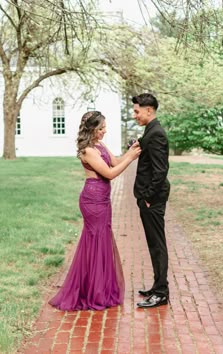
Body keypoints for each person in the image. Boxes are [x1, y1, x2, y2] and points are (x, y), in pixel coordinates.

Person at [49, 110, 141, 311]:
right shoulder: (88, 150)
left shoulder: (99, 145)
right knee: (96, 241)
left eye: (105, 127)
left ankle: (98, 287)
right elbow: (110, 172)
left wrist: (131, 151)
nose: (104, 131)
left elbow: (115, 162)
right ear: (92, 129)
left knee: (102, 240)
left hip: (103, 199)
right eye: (101, 128)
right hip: (92, 201)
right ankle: (93, 291)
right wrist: (131, 158)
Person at [131, 93, 170, 308]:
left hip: (152, 199)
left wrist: (147, 197)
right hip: (149, 198)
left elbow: (160, 171)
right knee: (153, 243)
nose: (135, 115)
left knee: (157, 244)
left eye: (137, 111)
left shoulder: (156, 134)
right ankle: (157, 287)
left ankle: (161, 293)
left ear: (149, 110)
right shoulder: (150, 132)